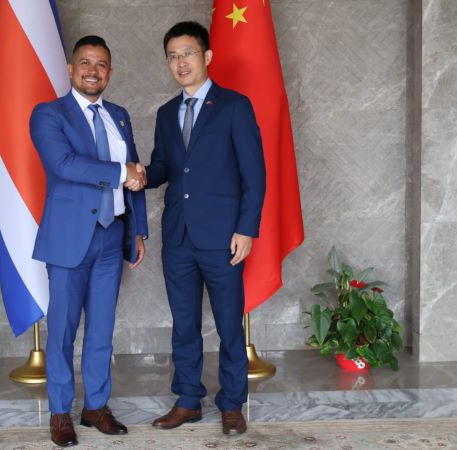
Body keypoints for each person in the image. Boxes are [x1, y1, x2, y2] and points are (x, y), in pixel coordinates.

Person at [143, 21, 266, 436]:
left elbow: (254, 174)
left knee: (229, 323)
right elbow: (164, 166)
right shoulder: (166, 113)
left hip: (223, 237)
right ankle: (188, 400)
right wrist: (139, 175)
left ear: (207, 56)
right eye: (173, 56)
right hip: (178, 236)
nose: (181, 62)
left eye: (188, 53)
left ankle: (231, 402)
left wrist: (246, 229)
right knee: (184, 324)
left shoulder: (234, 106)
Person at [29, 35, 148, 447]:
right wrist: (121, 172)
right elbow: (64, 164)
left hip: (112, 236)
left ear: (109, 72)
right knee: (62, 330)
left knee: (101, 329)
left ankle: (96, 406)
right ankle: (60, 411)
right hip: (69, 239)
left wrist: (139, 229)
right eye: (85, 62)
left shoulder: (119, 115)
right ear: (70, 68)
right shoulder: (49, 114)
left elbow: (135, 174)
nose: (93, 71)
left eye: (101, 64)